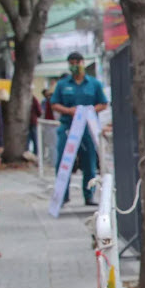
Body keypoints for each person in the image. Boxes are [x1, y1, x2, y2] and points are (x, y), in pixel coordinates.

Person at [48, 51, 108, 206]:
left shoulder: (94, 84)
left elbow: (103, 103)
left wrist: (89, 111)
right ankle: (62, 195)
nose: (75, 65)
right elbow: (54, 104)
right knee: (64, 161)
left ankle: (89, 195)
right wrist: (69, 111)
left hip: (88, 129)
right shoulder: (63, 84)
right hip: (68, 128)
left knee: (89, 162)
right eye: (72, 63)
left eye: (77, 62)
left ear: (83, 63)